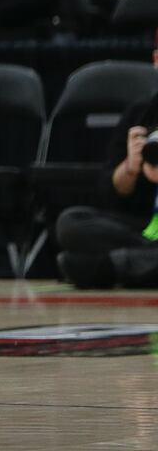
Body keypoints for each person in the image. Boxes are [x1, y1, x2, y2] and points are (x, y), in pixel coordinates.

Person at [56, 65, 158, 288]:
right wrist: (130, 168)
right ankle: (144, 259)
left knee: (77, 263)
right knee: (71, 222)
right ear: (156, 60)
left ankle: (116, 265)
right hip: (143, 225)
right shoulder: (139, 113)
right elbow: (110, 193)